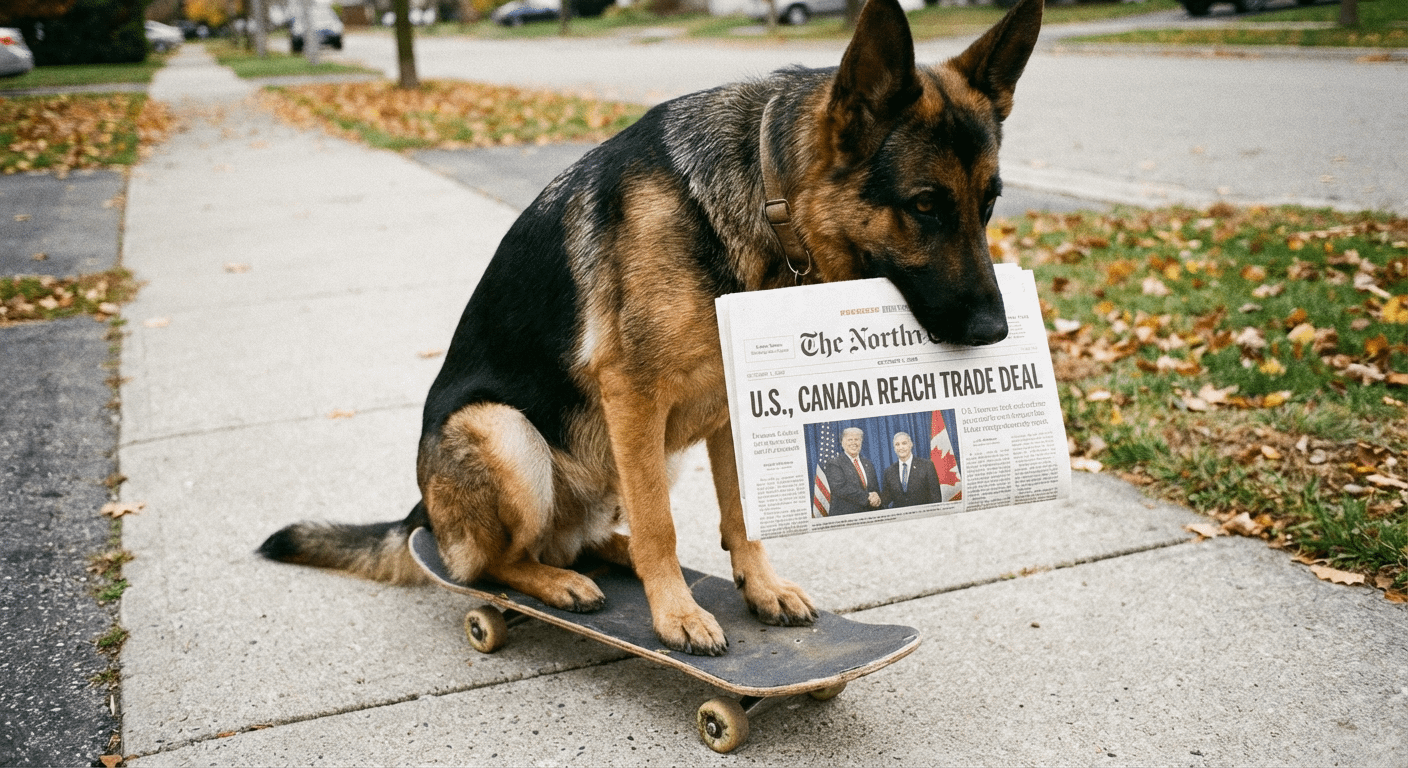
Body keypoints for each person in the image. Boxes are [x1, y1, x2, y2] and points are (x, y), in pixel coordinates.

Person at [824, 427, 881, 516]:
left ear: (861, 442)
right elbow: (841, 489)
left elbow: (875, 488)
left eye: (857, 439)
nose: (853, 443)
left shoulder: (868, 463)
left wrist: (877, 498)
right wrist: (868, 498)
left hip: (869, 514)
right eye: (850, 439)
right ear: (842, 443)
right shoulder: (834, 464)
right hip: (847, 515)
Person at [881, 431, 943, 509]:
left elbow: (936, 497)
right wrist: (876, 499)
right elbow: (886, 498)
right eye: (897, 444)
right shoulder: (889, 471)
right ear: (894, 448)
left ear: (911, 444)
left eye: (904, 443)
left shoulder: (926, 466)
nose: (901, 447)